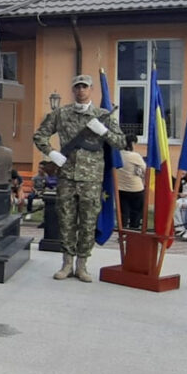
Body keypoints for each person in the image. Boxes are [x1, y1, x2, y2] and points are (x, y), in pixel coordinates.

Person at [33, 74, 126, 282]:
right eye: (77, 87)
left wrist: (104, 131)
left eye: (85, 87)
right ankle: (67, 264)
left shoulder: (103, 115)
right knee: (66, 221)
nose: (81, 90)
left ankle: (82, 265)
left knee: (88, 223)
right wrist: (52, 153)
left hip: (91, 179)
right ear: (73, 90)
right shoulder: (61, 113)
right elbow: (39, 136)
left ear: (91, 89)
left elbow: (121, 143)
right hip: (67, 176)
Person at [117, 138, 147, 231]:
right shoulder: (134, 156)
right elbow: (145, 170)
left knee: (123, 212)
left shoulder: (117, 154)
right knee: (136, 212)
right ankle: (133, 230)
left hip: (120, 188)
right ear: (132, 143)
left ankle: (123, 231)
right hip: (135, 188)